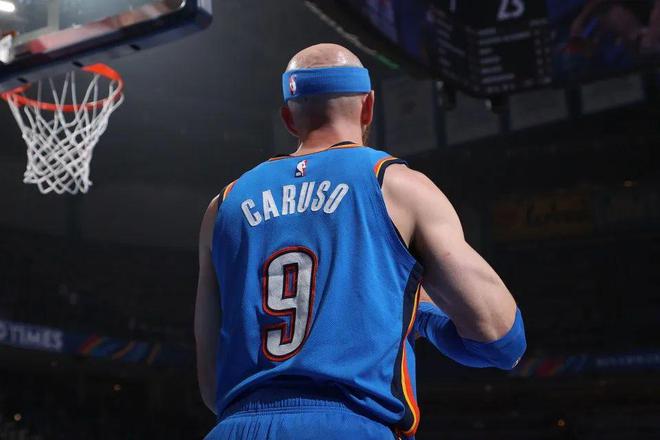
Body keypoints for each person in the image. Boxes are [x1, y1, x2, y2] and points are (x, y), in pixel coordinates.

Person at [195, 43, 526, 440]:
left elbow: (211, 386)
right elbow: (501, 339)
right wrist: (423, 313)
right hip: (348, 426)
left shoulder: (223, 205)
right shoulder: (397, 185)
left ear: (288, 118)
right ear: (368, 106)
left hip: (235, 428)